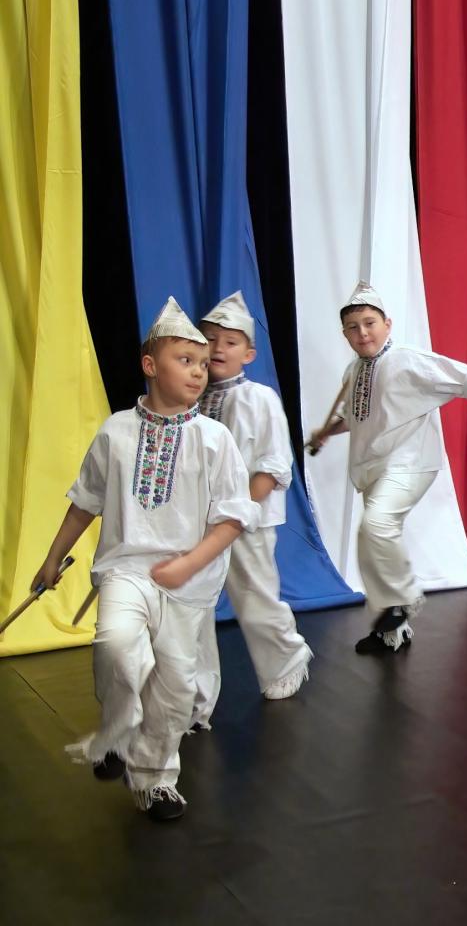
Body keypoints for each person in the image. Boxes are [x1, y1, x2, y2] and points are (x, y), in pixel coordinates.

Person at [34, 297, 258, 820]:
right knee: (115, 645)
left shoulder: (214, 438)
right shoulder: (115, 431)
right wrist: (52, 559)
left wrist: (187, 565)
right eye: (185, 360)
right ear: (150, 365)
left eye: (203, 363)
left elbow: (232, 519)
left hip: (189, 582)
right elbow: (84, 503)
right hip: (127, 568)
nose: (199, 371)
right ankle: (115, 735)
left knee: (176, 689)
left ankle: (154, 779)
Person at [309, 282, 467, 652]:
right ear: (345, 334)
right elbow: (357, 417)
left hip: (409, 462)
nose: (362, 332)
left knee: (376, 526)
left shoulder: (406, 359)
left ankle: (404, 596)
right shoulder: (353, 370)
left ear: (387, 324)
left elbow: (466, 376)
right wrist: (326, 433)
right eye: (353, 327)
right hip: (372, 466)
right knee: (371, 543)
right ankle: (391, 632)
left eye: (369, 323)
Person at [185, 291, 312, 728]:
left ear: (249, 353)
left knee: (254, 597)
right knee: (191, 605)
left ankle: (286, 659)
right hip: (199, 521)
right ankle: (194, 694)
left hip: (246, 521)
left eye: (231, 342)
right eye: (210, 339)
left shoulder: (258, 398)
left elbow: (274, 465)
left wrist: (236, 511)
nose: (218, 348)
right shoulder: (192, 398)